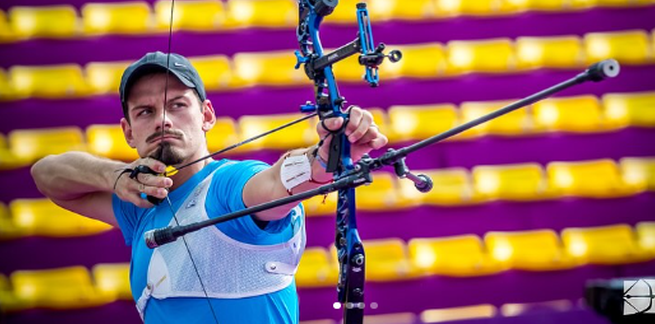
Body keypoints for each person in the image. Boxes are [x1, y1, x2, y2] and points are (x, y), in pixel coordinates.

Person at [31, 51, 388, 324]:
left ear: (207, 116)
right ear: (128, 131)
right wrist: (114, 176)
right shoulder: (140, 203)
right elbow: (46, 174)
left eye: (178, 105)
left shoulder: (227, 185)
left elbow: (278, 181)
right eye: (146, 112)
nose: (164, 120)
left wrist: (326, 157)